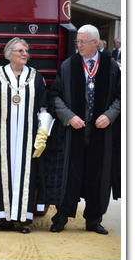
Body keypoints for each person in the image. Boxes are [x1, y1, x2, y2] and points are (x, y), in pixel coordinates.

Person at [49, 24, 121, 235]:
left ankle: (94, 219)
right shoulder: (68, 65)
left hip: (101, 132)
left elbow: (122, 96)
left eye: (82, 42)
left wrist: (110, 115)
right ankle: (61, 217)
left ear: (95, 43)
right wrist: (69, 117)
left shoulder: (111, 66)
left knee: (98, 175)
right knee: (69, 174)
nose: (78, 45)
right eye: (77, 41)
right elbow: (55, 96)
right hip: (74, 131)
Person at [0, 37, 52, 234]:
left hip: (27, 137)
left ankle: (23, 219)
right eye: (20, 51)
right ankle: (4, 218)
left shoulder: (36, 77)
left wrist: (42, 134)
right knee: (1, 174)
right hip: (1, 137)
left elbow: (44, 108)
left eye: (26, 51)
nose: (25, 54)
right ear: (9, 54)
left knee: (26, 176)